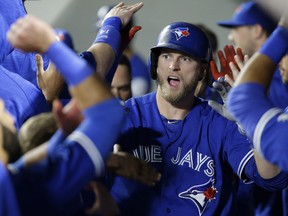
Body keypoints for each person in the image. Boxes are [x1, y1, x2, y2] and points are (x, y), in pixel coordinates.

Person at [109, 21, 288, 215]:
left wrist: (250, 114)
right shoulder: (127, 115)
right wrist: (110, 160)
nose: (173, 65)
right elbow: (76, 160)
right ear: (155, 64)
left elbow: (272, 178)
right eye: (166, 56)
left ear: (202, 71)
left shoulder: (219, 123)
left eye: (185, 59)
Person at [5, 2, 153, 215]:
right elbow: (106, 112)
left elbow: (32, 159)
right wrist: (52, 46)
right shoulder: (27, 187)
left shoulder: (14, 178)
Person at [216, 1, 286, 215]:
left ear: (257, 30)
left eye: (236, 28)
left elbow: (275, 166)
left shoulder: (277, 81)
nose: (230, 36)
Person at [96, 4, 152, 97]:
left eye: (107, 33)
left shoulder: (139, 71)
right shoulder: (104, 63)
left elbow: (121, 106)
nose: (101, 39)